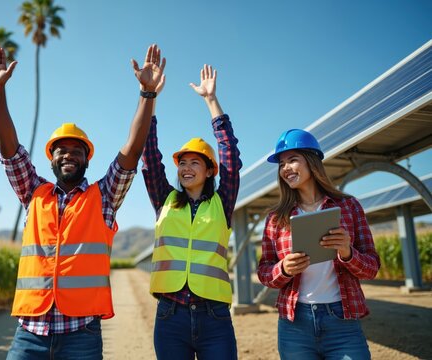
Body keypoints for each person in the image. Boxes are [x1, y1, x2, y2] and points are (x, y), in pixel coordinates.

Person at [0, 44, 165, 359]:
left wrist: (146, 95)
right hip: (30, 334)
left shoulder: (104, 197)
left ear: (87, 159)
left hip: (81, 335)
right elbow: (9, 149)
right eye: (61, 150)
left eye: (77, 150)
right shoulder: (33, 193)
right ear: (51, 160)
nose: (69, 154)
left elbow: (131, 153)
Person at [141, 64, 242, 359]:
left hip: (215, 317)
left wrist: (211, 101)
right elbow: (149, 156)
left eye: (195, 162)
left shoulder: (222, 202)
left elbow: (232, 160)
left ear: (210, 170)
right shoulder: (165, 199)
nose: (186, 168)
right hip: (170, 316)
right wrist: (151, 98)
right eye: (182, 163)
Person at [257, 129, 381, 359]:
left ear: (312, 161)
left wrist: (347, 253)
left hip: (342, 321)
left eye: (293, 160)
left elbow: (372, 267)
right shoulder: (276, 218)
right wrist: (283, 269)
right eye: (281, 164)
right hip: (295, 324)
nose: (285, 168)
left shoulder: (349, 206)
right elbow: (264, 272)